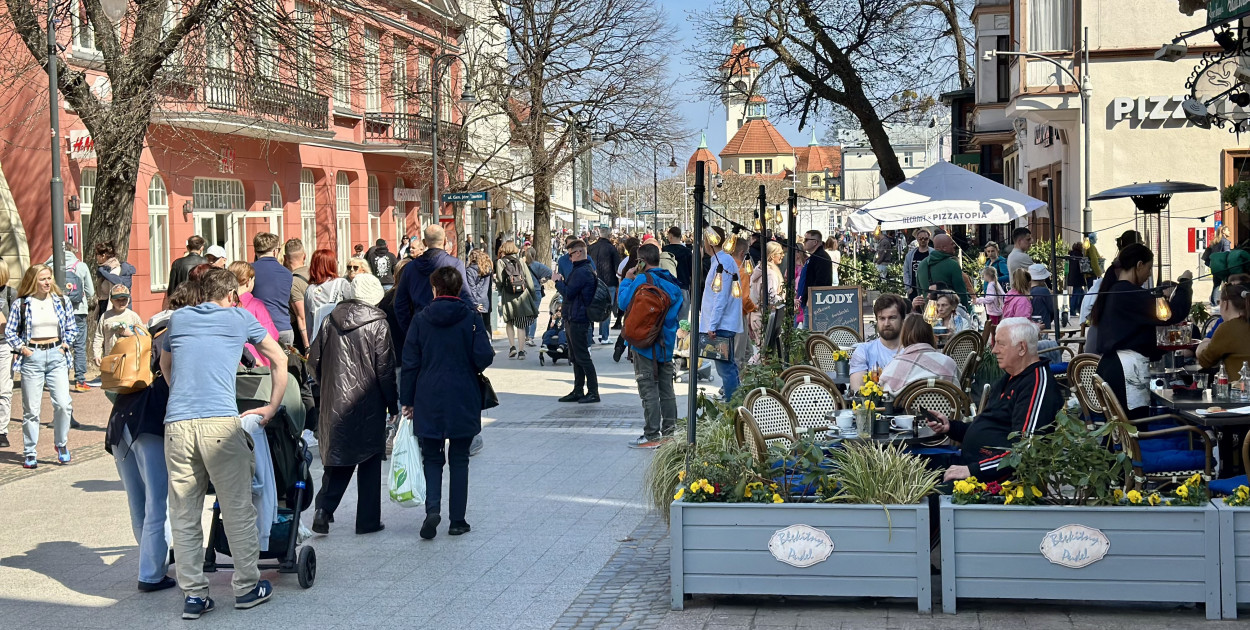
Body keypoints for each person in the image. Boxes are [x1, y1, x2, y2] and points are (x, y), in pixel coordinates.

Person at [159, 268, 286, 619]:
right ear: (232, 296)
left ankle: (195, 597)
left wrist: (181, 393)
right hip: (220, 424)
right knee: (236, 508)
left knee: (184, 513)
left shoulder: (179, 319)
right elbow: (279, 358)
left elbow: (165, 363)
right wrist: (272, 407)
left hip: (178, 424)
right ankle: (246, 587)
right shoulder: (239, 317)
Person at [106, 286, 200, 595]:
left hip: (121, 421)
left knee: (138, 501)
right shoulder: (181, 336)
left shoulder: (145, 330)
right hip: (150, 423)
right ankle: (151, 572)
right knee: (158, 501)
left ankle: (153, 559)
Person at [401, 267, 494, 540]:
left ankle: (432, 510)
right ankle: (457, 520)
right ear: (457, 289)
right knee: (460, 458)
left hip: (428, 394)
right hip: (463, 393)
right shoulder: (471, 318)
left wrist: (407, 400)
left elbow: (409, 363)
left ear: (434, 290)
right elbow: (484, 356)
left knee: (432, 457)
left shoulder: (420, 319)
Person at [925, 317, 1062, 483]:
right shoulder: (1011, 377)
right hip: (972, 465)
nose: (994, 349)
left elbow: (1026, 449)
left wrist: (972, 470)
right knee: (911, 465)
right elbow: (990, 427)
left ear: (1021, 348)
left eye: (1000, 344)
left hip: (994, 479)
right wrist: (951, 427)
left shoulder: (1036, 384)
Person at [309, 274, 394, 536]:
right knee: (368, 459)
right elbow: (386, 370)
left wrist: (326, 384)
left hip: (335, 398)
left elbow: (313, 360)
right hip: (368, 402)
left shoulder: (330, 320)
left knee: (339, 460)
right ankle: (367, 521)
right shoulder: (379, 325)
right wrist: (393, 403)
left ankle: (323, 509)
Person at [1089, 243, 1192, 415]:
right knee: (1132, 430)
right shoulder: (1131, 294)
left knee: (1117, 432)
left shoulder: (1115, 291)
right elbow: (1171, 315)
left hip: (1111, 367)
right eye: (1149, 268)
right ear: (1139, 265)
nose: (1149, 274)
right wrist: (1184, 285)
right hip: (1125, 370)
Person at [6, 264, 77, 468]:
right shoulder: (22, 304)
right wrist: (22, 348)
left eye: (49, 278)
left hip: (56, 355)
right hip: (32, 357)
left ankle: (61, 444)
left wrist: (64, 346)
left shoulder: (61, 301)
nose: (47, 282)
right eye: (42, 279)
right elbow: (11, 332)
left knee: (64, 404)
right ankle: (30, 452)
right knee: (31, 410)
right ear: (32, 281)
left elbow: (71, 327)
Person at [619, 244, 684, 449]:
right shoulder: (672, 282)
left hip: (645, 343)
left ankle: (651, 434)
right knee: (667, 389)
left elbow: (622, 303)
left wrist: (627, 279)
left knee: (648, 388)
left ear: (641, 261)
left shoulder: (641, 280)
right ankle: (669, 434)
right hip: (665, 343)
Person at [393, 225, 473, 353]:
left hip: (421, 328)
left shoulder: (410, 268)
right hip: (450, 327)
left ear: (424, 243)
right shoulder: (454, 264)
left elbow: (400, 304)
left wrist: (410, 330)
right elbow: (465, 298)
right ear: (445, 241)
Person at [701, 227, 744, 401]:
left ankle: (733, 404)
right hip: (721, 323)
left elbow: (721, 297)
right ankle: (734, 400)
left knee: (725, 369)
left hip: (721, 324)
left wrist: (713, 325)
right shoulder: (721, 260)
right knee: (727, 367)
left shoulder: (723, 262)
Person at [555, 239, 600, 403]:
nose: (569, 258)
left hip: (578, 318)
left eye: (571, 254)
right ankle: (578, 389)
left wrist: (557, 281)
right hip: (573, 316)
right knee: (575, 356)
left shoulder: (582, 271)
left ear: (579, 252)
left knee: (582, 357)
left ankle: (593, 391)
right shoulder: (581, 269)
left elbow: (568, 293)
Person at [46, 241, 93, 393]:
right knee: (79, 346)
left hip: (56, 311)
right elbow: (90, 291)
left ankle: (61, 379)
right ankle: (80, 381)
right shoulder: (81, 266)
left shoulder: (48, 267)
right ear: (72, 250)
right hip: (78, 311)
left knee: (59, 344)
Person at [879, 314, 958, 394]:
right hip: (946, 406)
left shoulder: (892, 368)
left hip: (907, 406)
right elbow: (961, 396)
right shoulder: (949, 363)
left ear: (904, 335)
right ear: (930, 334)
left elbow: (885, 397)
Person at [850, 294, 908, 390]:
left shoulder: (912, 351)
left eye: (892, 318)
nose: (886, 323)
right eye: (882, 318)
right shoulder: (863, 351)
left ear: (902, 320)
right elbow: (858, 392)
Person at [228, 261, 280, 367]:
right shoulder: (256, 305)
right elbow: (272, 335)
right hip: (256, 364)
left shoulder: (225, 306)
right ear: (248, 281)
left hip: (232, 364)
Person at [248, 233, 294, 348]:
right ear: (275, 251)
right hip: (283, 326)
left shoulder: (249, 271)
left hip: (259, 328)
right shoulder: (287, 274)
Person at [1197, 282, 1250, 378]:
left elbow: (1205, 361)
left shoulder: (1227, 328)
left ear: (1225, 304)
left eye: (1219, 302)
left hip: (1240, 389)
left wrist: (1204, 344)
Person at [495, 241, 537, 360]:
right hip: (522, 296)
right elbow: (528, 279)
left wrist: (501, 291)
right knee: (521, 324)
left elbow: (499, 280)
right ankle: (521, 351)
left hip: (508, 296)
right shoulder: (521, 261)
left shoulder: (500, 262)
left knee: (509, 321)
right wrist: (532, 294)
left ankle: (512, 347)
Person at [304, 249, 354, 342]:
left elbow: (309, 320)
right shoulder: (341, 283)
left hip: (318, 338)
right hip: (339, 336)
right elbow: (352, 309)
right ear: (331, 264)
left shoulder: (310, 289)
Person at [917, 234, 970, 310]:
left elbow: (919, 293)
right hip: (949, 313)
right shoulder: (953, 265)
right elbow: (961, 293)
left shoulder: (921, 265)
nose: (954, 246)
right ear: (944, 248)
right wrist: (966, 309)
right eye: (952, 244)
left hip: (929, 313)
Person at [92, 285, 143, 364]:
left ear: (129, 299)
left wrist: (130, 334)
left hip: (129, 359)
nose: (121, 302)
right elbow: (99, 337)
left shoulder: (133, 317)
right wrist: (97, 354)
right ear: (111, 300)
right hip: (110, 358)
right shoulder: (105, 316)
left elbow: (144, 338)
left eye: (124, 299)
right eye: (118, 300)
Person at [588, 228, 622, 343]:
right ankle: (604, 336)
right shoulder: (612, 249)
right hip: (609, 282)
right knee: (606, 308)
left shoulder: (591, 247)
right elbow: (617, 267)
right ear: (609, 236)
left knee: (591, 307)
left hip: (593, 282)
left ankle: (590, 335)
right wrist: (619, 283)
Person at [750, 241, 784, 356]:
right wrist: (785, 301)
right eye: (780, 253)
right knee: (764, 354)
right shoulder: (770, 273)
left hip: (757, 314)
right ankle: (748, 372)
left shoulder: (761, 270)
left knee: (763, 351)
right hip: (764, 315)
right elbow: (771, 295)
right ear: (772, 255)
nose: (782, 255)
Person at [798, 230, 833, 318]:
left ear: (815, 242)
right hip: (808, 300)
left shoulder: (821, 257)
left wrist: (811, 298)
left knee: (807, 330)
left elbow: (821, 281)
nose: (804, 242)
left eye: (806, 240)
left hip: (815, 303)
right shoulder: (813, 257)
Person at [284, 239, 312, 351]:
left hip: (304, 336)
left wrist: (307, 347)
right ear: (304, 256)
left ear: (286, 258)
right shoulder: (315, 273)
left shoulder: (293, 282)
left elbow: (301, 317)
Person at [524, 247, 552, 346]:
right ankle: (531, 337)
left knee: (526, 315)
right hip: (536, 291)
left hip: (524, 292)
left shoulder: (522, 266)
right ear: (534, 255)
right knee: (533, 315)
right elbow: (550, 273)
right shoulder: (538, 265)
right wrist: (543, 280)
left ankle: (526, 336)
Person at [465, 249, 495, 334]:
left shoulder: (470, 271)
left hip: (477, 302)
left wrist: (475, 303)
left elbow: (472, 288)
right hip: (487, 301)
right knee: (487, 325)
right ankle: (489, 344)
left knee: (477, 327)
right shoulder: (487, 269)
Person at [664, 226, 693, 312]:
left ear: (670, 236)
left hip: (668, 287)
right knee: (683, 320)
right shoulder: (687, 251)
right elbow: (691, 271)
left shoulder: (664, 251)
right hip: (683, 285)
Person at [0, 261, 13, 448]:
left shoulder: (11, 293)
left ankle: (2, 430)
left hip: (4, 344)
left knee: (4, 389)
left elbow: (16, 320)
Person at [902, 228, 932, 299]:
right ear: (917, 239)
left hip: (929, 289)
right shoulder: (910, 255)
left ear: (928, 239)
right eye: (921, 238)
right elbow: (906, 271)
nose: (923, 240)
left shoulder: (933, 253)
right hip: (914, 289)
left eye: (925, 238)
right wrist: (908, 288)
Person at [1026, 263, 1057, 329]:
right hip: (1043, 324)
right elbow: (1052, 309)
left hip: (1029, 324)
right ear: (1043, 278)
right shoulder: (1044, 291)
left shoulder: (1026, 291)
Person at [1065, 242, 1091, 318]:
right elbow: (1082, 267)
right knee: (1077, 293)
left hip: (1072, 277)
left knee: (1080, 293)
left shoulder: (1071, 255)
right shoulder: (1079, 255)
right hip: (1078, 277)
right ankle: (1073, 310)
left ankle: (1078, 309)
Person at [1210, 226, 1233, 305]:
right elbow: (1227, 254)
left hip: (1215, 266)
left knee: (1216, 285)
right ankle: (1227, 302)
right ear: (1223, 232)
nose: (1229, 232)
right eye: (1228, 230)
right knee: (1229, 283)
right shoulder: (1225, 242)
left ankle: (1213, 302)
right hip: (1223, 267)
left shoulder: (1214, 242)